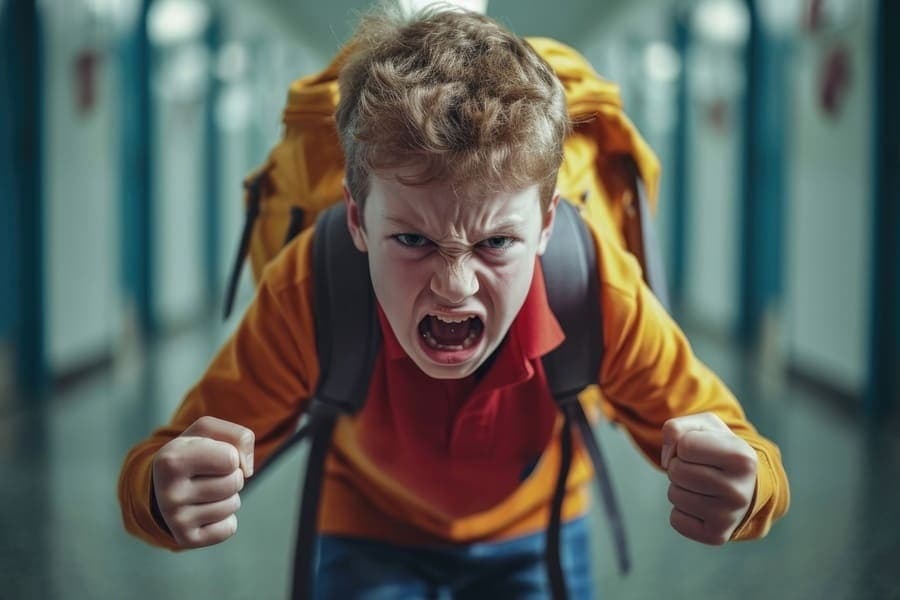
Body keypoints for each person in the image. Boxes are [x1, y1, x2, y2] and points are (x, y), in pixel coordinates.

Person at [118, 5, 790, 598]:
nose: (454, 285)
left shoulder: (593, 285)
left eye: (498, 242)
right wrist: (162, 494)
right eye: (411, 237)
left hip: (541, 526)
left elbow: (749, 452)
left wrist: (746, 486)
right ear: (356, 220)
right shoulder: (312, 286)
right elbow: (162, 460)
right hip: (367, 525)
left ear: (548, 223)